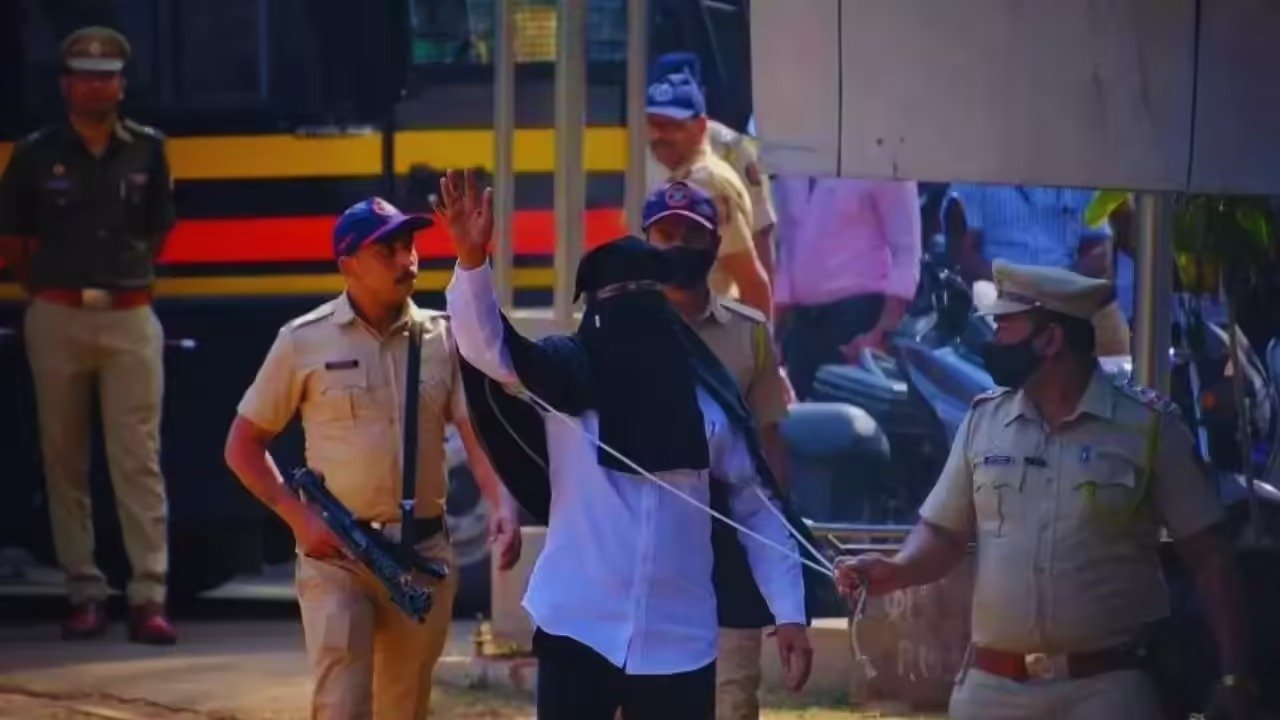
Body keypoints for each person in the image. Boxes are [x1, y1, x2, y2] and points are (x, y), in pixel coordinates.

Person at [439, 169, 825, 720]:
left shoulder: (705, 402)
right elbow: (489, 350)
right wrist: (472, 261)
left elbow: (756, 507)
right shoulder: (567, 377)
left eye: (643, 300)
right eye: (616, 301)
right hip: (577, 626)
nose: (630, 318)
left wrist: (789, 613)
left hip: (680, 639)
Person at [834, 260, 1257, 720]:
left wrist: (1235, 674)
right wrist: (897, 569)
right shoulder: (983, 422)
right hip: (992, 691)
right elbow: (943, 532)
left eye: (1005, 328)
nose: (993, 341)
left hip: (1107, 691)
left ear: (1050, 340)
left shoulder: (1149, 429)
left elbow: (1208, 554)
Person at [223, 197, 522, 720]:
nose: (406, 260)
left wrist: (502, 504)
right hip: (338, 558)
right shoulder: (303, 341)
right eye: (388, 251)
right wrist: (299, 519)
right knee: (342, 706)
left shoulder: (444, 339)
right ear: (348, 264)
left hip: (422, 557)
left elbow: (476, 436)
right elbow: (243, 445)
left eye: (409, 246)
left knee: (404, 708)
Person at [0, 26, 177, 644]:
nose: (94, 86)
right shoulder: (34, 155)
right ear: (65, 85)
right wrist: (50, 289)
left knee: (138, 460)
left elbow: (158, 231)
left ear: (121, 86)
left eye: (106, 77)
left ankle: (149, 596)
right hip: (58, 316)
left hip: (130, 315)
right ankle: (84, 593)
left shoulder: (148, 150)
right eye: (83, 76)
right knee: (64, 460)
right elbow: (14, 242)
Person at [641, 179, 793, 720]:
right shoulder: (616, 327)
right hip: (643, 544)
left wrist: (778, 564)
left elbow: (769, 447)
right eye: (665, 234)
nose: (678, 245)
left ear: (715, 243)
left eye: (692, 235)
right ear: (645, 241)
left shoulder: (749, 334)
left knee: (731, 699)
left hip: (729, 539)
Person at [772, 175, 922, 400]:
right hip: (801, 326)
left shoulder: (884, 161)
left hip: (857, 322)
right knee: (799, 417)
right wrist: (775, 332)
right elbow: (787, 243)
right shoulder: (792, 163)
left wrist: (881, 332)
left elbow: (906, 250)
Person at [944, 183, 1131, 356]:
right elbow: (965, 256)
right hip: (998, 292)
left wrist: (1055, 285)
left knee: (1112, 323)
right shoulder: (976, 179)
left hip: (1064, 291)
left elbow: (1100, 254)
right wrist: (1020, 288)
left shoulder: (1080, 179)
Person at [646, 72, 773, 318]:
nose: (660, 135)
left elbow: (751, 281)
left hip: (703, 330)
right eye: (654, 124)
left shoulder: (705, 184)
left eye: (672, 126)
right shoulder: (686, 177)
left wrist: (760, 341)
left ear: (701, 126)